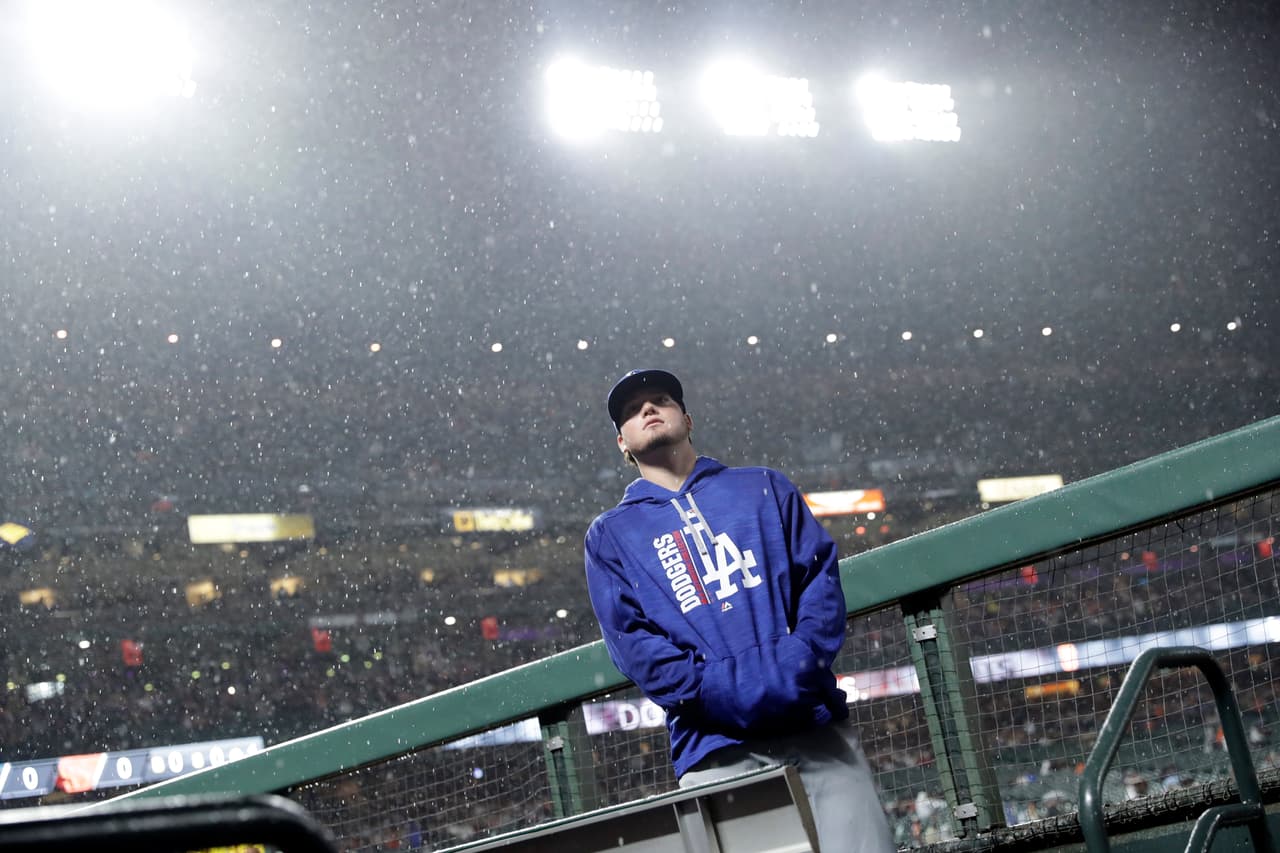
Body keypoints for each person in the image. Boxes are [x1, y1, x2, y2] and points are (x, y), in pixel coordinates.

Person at [584, 368, 895, 853]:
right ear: (621, 443)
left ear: (687, 418)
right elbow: (633, 644)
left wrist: (799, 664)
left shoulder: (763, 486)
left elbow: (819, 582)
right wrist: (713, 691)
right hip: (713, 747)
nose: (647, 409)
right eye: (631, 410)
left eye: (660, 399)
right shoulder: (610, 534)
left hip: (811, 724)